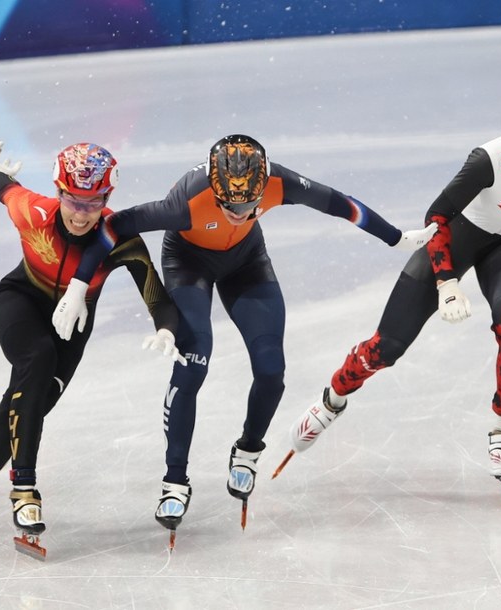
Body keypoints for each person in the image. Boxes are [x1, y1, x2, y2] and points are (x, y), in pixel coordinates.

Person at [51, 133, 437, 536]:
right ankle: (174, 480)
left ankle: (248, 450)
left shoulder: (279, 183)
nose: (238, 213)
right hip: (188, 264)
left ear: (262, 189)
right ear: (214, 190)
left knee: (272, 370)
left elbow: (341, 204)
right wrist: (79, 285)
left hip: (246, 264)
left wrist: (395, 237)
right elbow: (115, 226)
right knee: (193, 364)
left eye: (248, 206)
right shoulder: (185, 202)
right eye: (228, 204)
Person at [282, 83, 501, 498]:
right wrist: (447, 283)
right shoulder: (489, 160)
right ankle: (332, 398)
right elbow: (437, 216)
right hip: (458, 237)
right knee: (387, 347)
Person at [0, 141, 181, 553]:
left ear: (108, 197)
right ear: (58, 191)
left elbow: (156, 295)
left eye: (94, 202)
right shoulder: (33, 212)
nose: (82, 212)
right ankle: (25, 491)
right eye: (73, 199)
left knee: (11, 426)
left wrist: (165, 330)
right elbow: (6, 190)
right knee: (37, 357)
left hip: (70, 333)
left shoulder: (119, 239)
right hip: (17, 302)